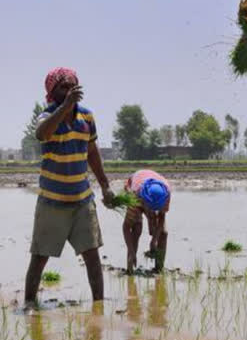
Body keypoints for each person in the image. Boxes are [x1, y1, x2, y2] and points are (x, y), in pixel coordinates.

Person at [25, 68, 114, 305]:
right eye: (63, 87)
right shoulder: (47, 116)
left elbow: (92, 153)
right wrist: (64, 108)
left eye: (72, 86)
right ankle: (30, 305)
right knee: (40, 257)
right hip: (52, 201)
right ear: (52, 93)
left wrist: (105, 186)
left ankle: (99, 307)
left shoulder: (86, 117)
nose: (68, 91)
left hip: (82, 200)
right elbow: (42, 134)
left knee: (93, 257)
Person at [123, 169, 171, 273]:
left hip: (151, 186)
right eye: (150, 208)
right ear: (144, 202)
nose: (152, 212)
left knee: (163, 233)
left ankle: (159, 269)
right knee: (136, 228)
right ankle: (130, 267)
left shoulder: (166, 194)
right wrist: (131, 251)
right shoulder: (134, 197)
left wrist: (154, 240)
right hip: (134, 185)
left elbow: (161, 217)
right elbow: (126, 227)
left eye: (155, 209)